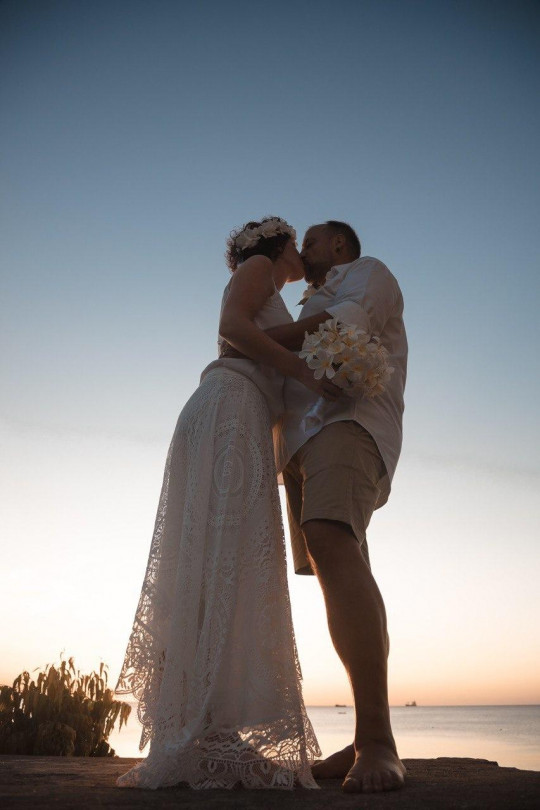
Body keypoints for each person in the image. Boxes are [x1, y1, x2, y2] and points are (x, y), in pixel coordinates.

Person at [112, 217, 340, 791]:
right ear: (275, 245)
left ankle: (211, 729)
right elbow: (232, 327)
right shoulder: (259, 269)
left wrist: (314, 332)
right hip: (231, 409)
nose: (299, 251)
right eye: (295, 241)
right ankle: (203, 730)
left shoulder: (274, 292)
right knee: (224, 563)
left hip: (237, 414)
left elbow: (260, 336)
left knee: (221, 565)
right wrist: (305, 373)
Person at [264, 221, 409, 793]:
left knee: (330, 538)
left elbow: (346, 324)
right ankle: (363, 734)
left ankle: (378, 741)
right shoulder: (301, 300)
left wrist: (260, 340)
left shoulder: (367, 274)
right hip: (296, 445)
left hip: (349, 423)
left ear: (340, 246)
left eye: (315, 239)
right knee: (336, 566)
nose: (306, 248)